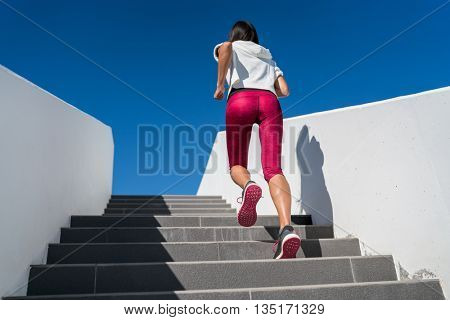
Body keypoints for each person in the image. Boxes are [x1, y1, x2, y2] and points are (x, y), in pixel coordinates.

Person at [213, 21, 301, 259]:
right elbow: (284, 90)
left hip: (241, 99)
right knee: (273, 169)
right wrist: (268, 81)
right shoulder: (269, 58)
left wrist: (220, 85)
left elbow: (227, 49)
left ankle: (248, 186)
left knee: (236, 166)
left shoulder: (230, 45)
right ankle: (286, 229)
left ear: (235, 34)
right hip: (270, 102)